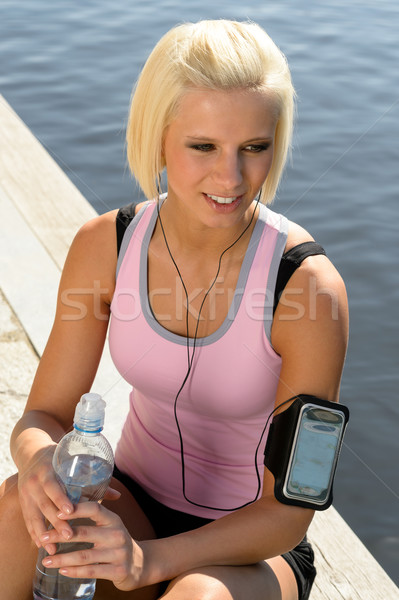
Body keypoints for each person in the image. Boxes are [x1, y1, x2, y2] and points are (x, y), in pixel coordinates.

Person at [0, 19, 348, 600]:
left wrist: (149, 562)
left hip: (255, 549)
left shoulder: (309, 289)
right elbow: (42, 418)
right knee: (17, 508)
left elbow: (290, 514)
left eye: (255, 148)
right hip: (129, 506)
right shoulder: (104, 246)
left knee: (198, 596)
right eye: (203, 146)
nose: (231, 177)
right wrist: (40, 466)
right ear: (158, 136)